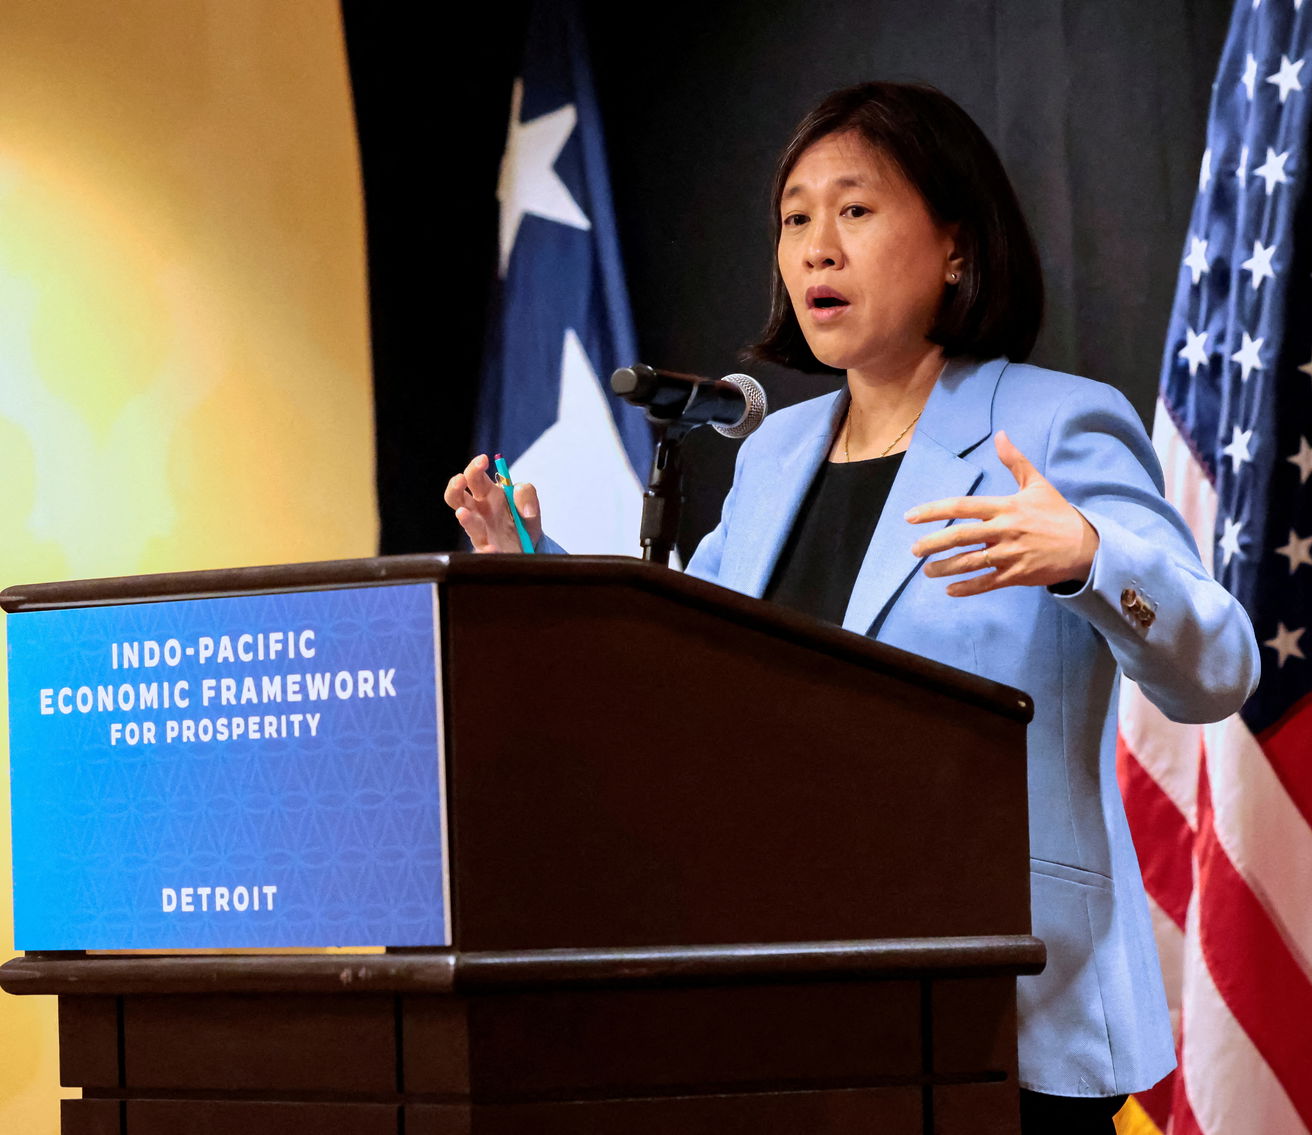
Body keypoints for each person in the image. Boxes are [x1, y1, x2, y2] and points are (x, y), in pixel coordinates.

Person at [446, 81, 1258, 1133]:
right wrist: (537, 571)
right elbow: (681, 664)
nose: (816, 247)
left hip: (1002, 1005)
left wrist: (1088, 558)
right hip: (791, 1002)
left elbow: (1220, 665)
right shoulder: (774, 453)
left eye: (855, 209)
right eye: (795, 218)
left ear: (956, 249)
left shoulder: (1054, 424)